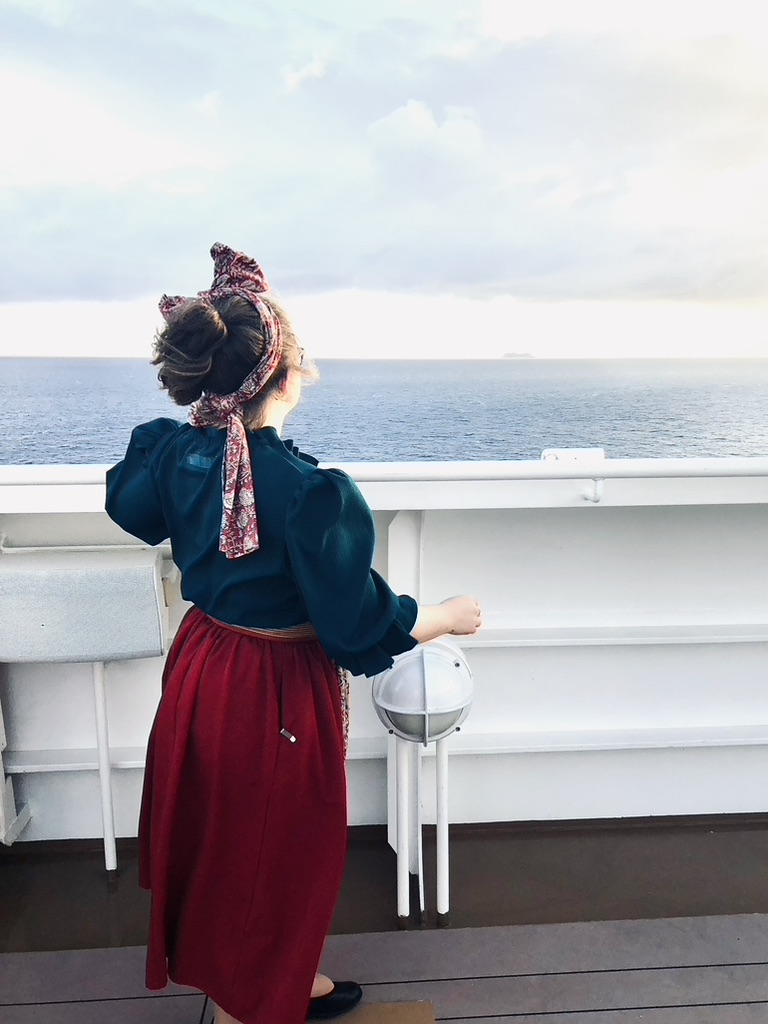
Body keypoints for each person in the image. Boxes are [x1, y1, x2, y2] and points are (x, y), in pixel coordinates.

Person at [105, 243, 482, 1024]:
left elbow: (134, 512)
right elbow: (352, 624)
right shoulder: (310, 494)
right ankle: (255, 1006)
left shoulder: (175, 452)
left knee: (221, 832)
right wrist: (441, 617)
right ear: (288, 375)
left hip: (204, 662)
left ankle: (270, 978)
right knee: (280, 845)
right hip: (274, 684)